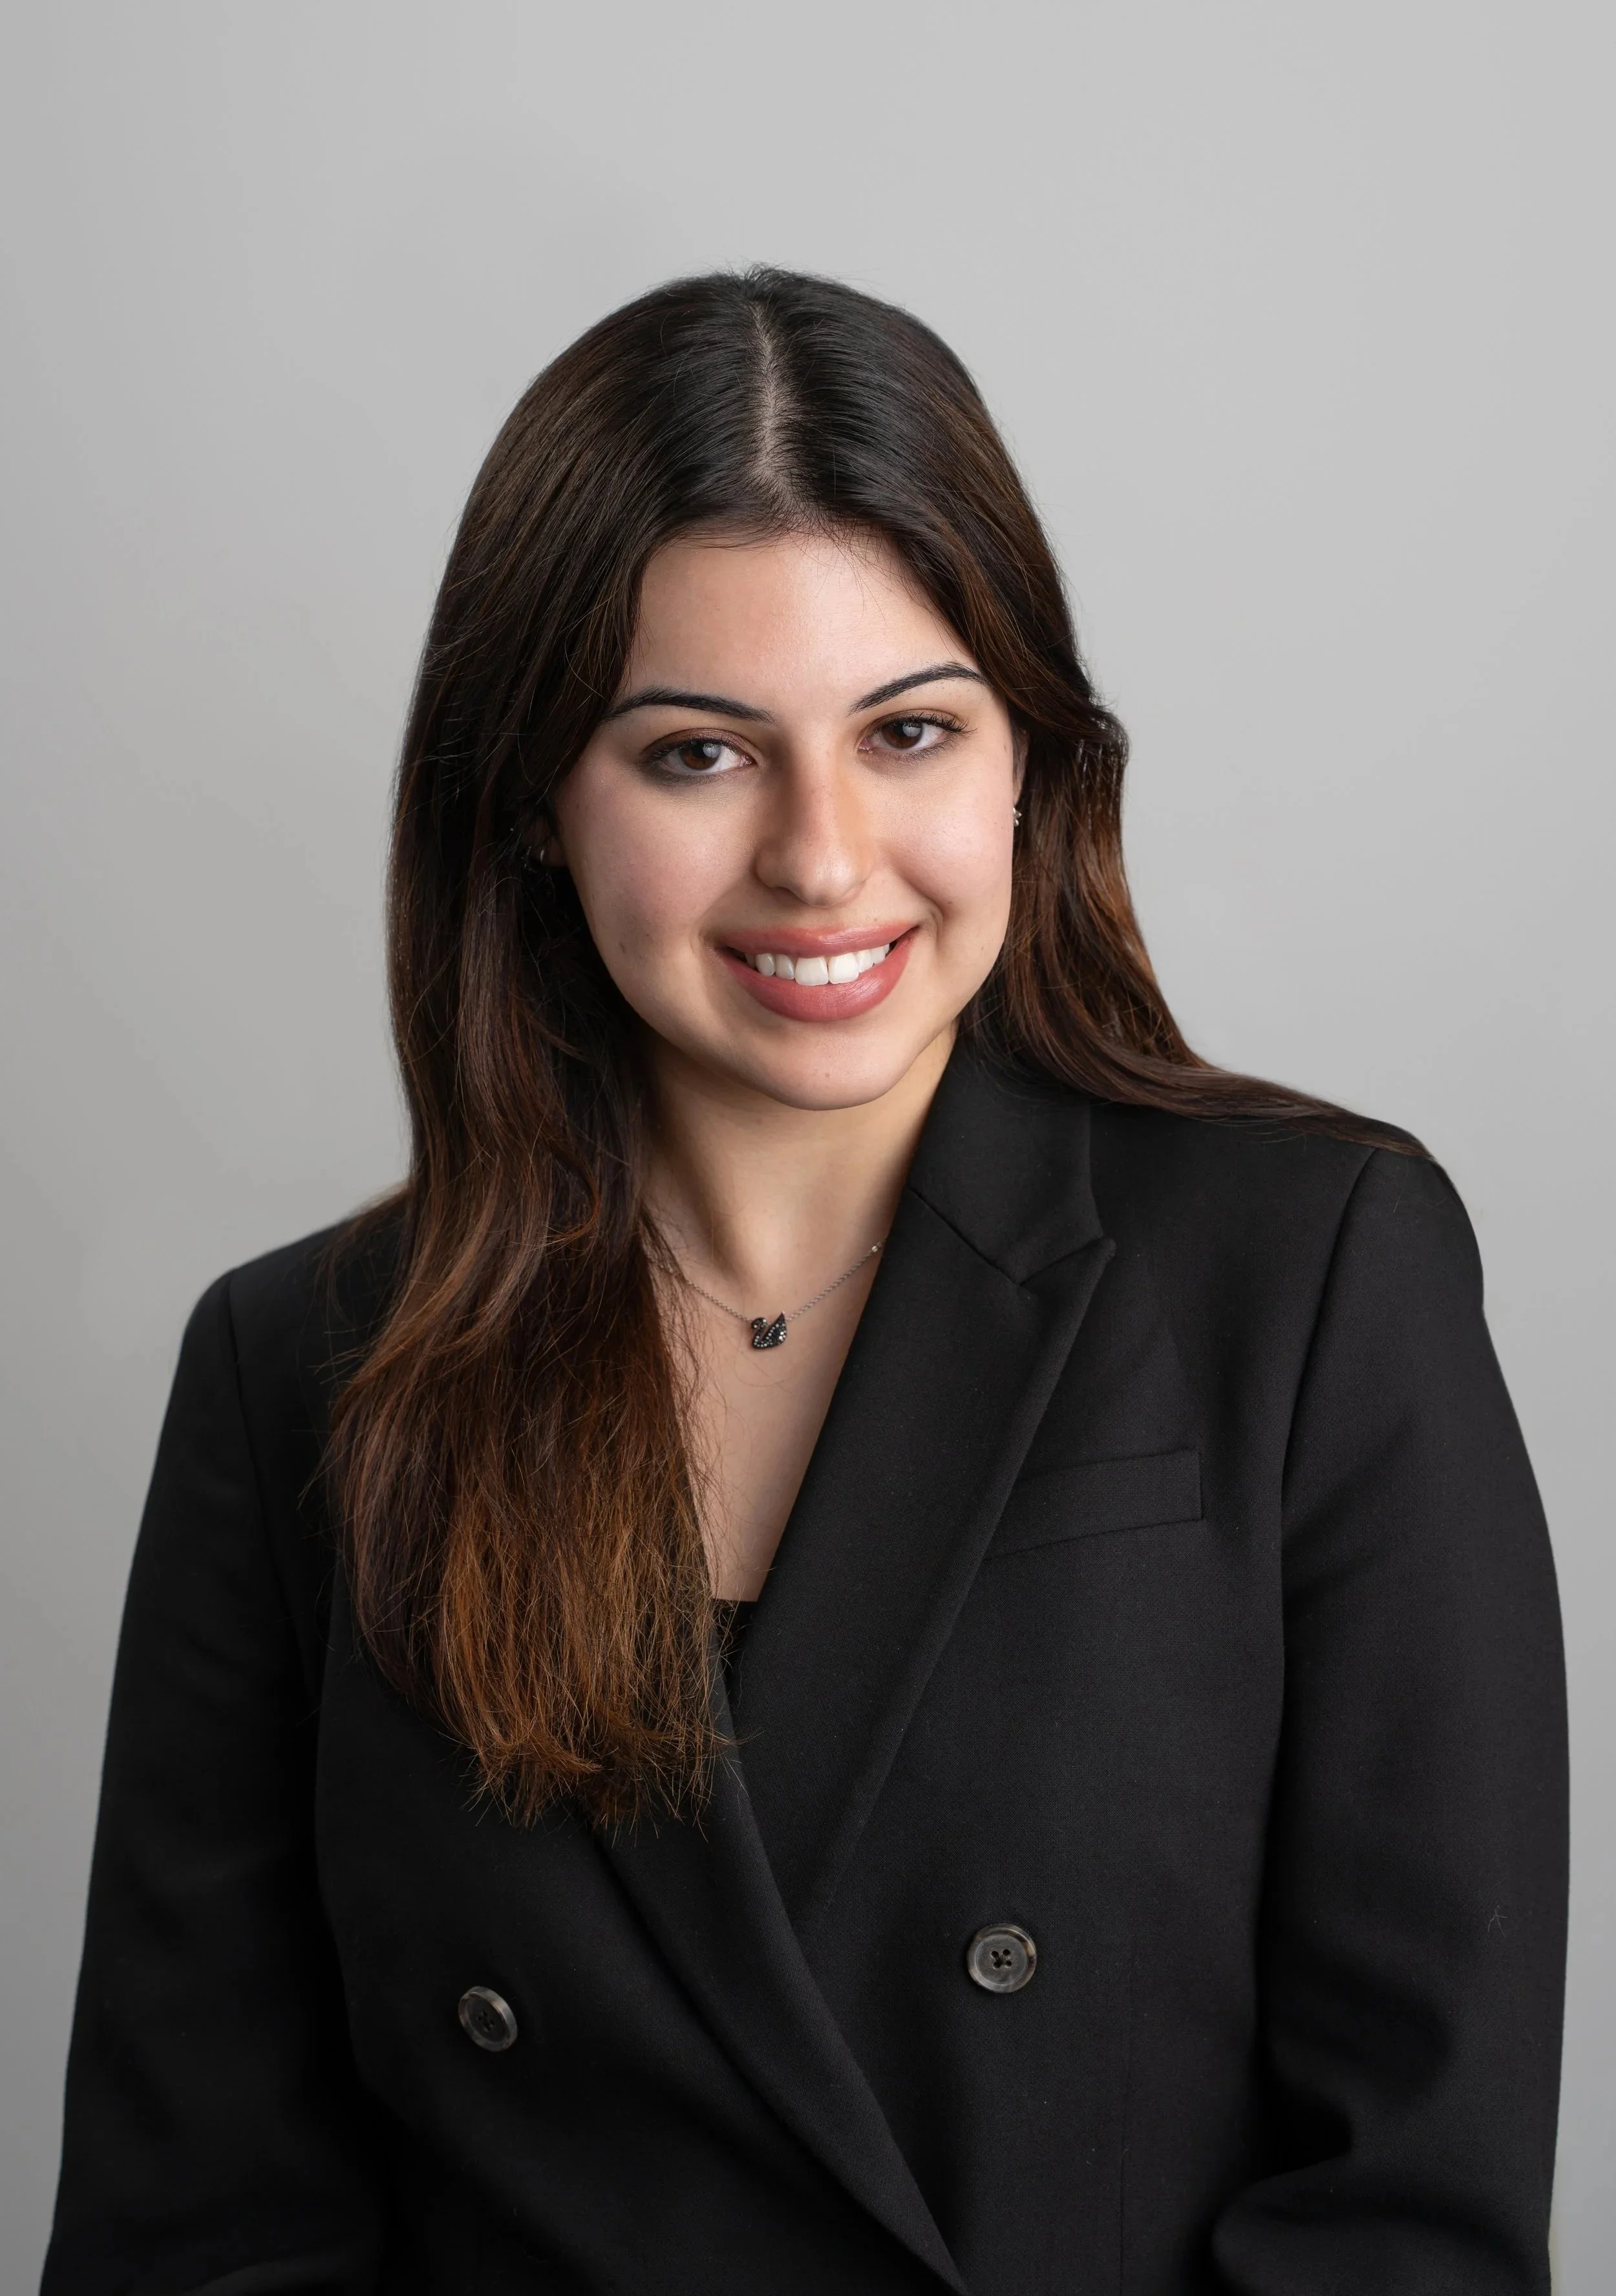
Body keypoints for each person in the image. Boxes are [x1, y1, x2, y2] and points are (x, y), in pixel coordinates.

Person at [42, 269, 1566, 2295]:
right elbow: (196, 2233)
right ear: (528, 810)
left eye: (909, 731)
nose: (825, 860)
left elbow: (1410, 2214)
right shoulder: (301, 1373)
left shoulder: (1305, 1287)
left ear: (1030, 763)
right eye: (698, 756)